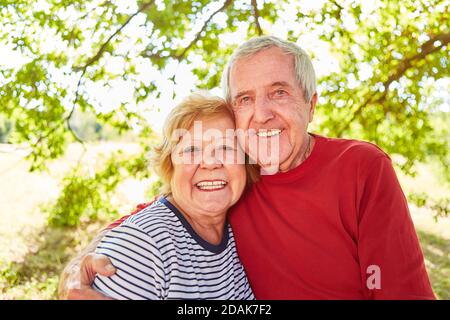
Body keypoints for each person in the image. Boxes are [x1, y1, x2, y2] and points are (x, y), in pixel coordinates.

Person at [59, 36, 435, 300]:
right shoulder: (237, 175)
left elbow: (403, 291)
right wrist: (77, 267)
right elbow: (155, 215)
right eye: (245, 99)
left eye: (279, 92)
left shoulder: (361, 167)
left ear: (311, 104)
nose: (261, 114)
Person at [91, 93, 256, 299]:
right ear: (170, 166)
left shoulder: (236, 230)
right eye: (192, 150)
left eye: (225, 147)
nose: (211, 162)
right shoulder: (142, 247)